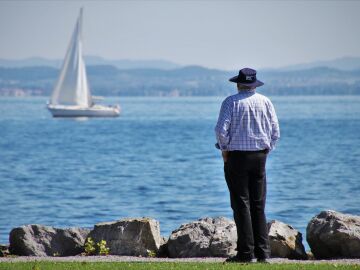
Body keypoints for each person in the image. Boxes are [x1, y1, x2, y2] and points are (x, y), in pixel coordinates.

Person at [215, 68, 280, 263]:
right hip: (260, 157)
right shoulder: (265, 102)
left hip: (237, 157)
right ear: (254, 85)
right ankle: (263, 253)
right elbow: (275, 131)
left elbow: (220, 130)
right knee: (258, 204)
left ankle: (245, 253)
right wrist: (267, 150)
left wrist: (224, 150)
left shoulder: (230, 102)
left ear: (238, 84)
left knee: (241, 204)